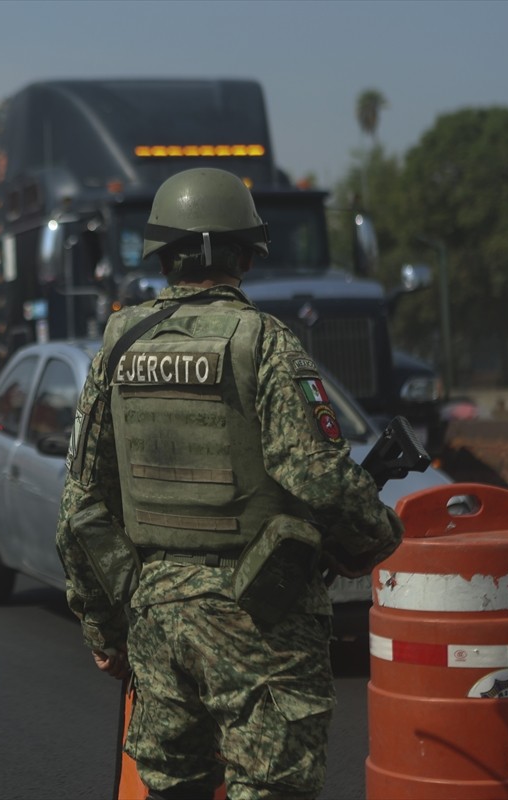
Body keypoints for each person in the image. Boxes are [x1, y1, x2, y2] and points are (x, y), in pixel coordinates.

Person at [55, 168, 403, 800]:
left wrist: (106, 631)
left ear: (162, 254)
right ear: (244, 253)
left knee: (175, 787)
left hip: (156, 617)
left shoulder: (117, 346)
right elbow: (320, 476)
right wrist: (379, 536)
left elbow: (80, 508)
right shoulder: (265, 343)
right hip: (259, 619)